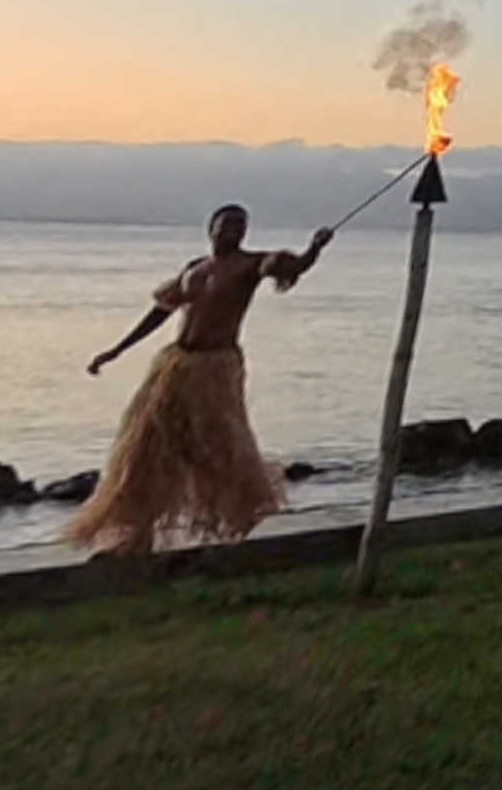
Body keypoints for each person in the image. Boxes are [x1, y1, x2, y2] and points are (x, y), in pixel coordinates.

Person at [65, 204, 333, 556]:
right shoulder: (195, 269)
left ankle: (239, 519)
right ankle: (138, 533)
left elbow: (285, 266)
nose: (234, 229)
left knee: (221, 444)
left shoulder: (251, 264)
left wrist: (312, 250)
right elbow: (160, 313)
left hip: (216, 366)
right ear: (211, 228)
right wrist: (116, 351)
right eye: (227, 223)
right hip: (175, 364)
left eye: (241, 224)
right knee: (149, 447)